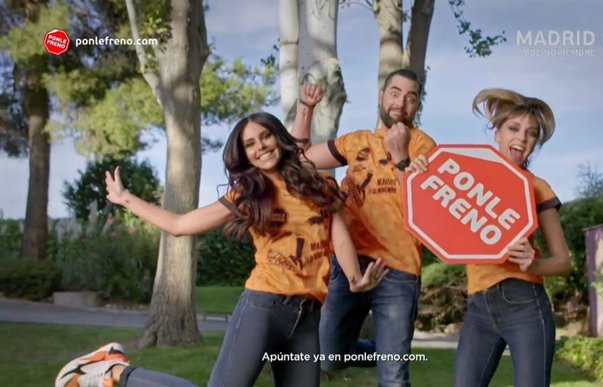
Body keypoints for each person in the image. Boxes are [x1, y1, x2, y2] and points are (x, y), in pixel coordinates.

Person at [55, 112, 388, 387]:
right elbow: (180, 226)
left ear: (279, 137)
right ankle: (117, 373)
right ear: (245, 155)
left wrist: (355, 278)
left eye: (265, 137)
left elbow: (339, 233)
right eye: (250, 144)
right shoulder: (249, 193)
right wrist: (126, 198)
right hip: (263, 307)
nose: (261, 147)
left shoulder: (321, 184)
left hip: (307, 318)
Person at [407, 88, 572, 387]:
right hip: (479, 308)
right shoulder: (465, 175)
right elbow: (432, 212)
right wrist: (419, 173)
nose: (521, 138)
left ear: (535, 143)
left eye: (531, 133)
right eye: (513, 128)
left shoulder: (536, 187)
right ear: (496, 133)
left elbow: (563, 262)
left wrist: (532, 264)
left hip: (524, 305)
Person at [291, 68, 436, 387]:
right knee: (328, 355)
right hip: (349, 263)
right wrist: (306, 109)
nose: (402, 101)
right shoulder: (355, 141)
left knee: (394, 377)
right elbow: (298, 159)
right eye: (395, 93)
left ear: (416, 107)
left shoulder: (426, 147)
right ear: (382, 97)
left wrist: (401, 157)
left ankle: (392, 354)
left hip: (397, 270)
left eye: (411, 97)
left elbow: (427, 211)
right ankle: (389, 350)